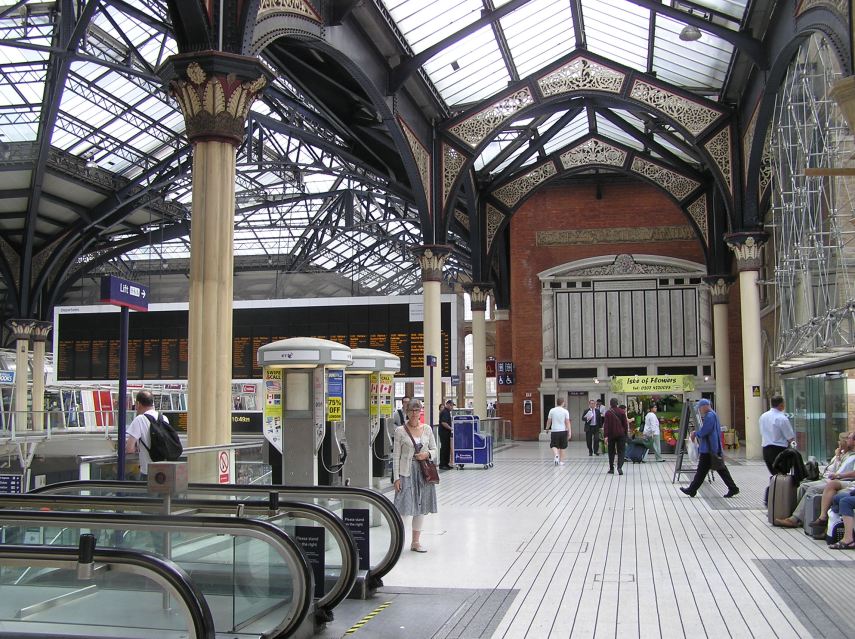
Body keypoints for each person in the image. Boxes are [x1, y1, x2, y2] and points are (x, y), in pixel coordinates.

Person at [775, 432, 855, 528]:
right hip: (833, 479)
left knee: (812, 489)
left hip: (843, 481)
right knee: (803, 486)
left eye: (848, 439)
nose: (844, 441)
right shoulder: (843, 454)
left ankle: (796, 519)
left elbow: (840, 471)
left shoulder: (851, 457)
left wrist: (837, 471)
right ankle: (794, 516)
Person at [392, 399, 438, 553]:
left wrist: (427, 454)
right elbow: (396, 456)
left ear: (420, 412)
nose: (414, 413)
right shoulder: (400, 431)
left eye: (417, 410)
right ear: (407, 411)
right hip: (406, 471)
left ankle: (416, 542)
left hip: (423, 472)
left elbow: (435, 449)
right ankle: (398, 544)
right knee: (404, 508)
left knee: (420, 506)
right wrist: (396, 478)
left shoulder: (427, 429)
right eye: (411, 410)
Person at [680, 399, 739, 498]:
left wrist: (695, 433)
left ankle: (692, 489)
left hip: (709, 448)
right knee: (716, 469)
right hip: (712, 447)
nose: (700, 410)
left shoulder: (710, 416)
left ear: (705, 406)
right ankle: (732, 488)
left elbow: (705, 431)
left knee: (706, 470)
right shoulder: (713, 414)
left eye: (700, 407)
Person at [125, 389, 168, 479]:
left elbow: (129, 449)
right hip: (165, 470)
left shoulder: (140, 419)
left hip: (147, 471)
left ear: (138, 404)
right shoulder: (163, 418)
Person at [760, 395, 795, 474]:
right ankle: (779, 486)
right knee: (781, 475)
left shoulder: (763, 416)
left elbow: (762, 432)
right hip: (779, 450)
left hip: (766, 449)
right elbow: (790, 437)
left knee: (774, 474)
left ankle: (774, 486)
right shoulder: (782, 418)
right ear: (781, 405)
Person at [603, 398, 629, 475]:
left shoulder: (608, 413)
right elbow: (625, 424)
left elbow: (606, 425)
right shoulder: (622, 412)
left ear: (610, 404)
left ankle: (611, 468)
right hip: (621, 435)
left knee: (611, 452)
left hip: (611, 435)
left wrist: (605, 436)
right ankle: (619, 467)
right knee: (621, 451)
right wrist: (626, 435)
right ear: (617, 403)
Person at [546, 397, 571, 465]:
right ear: (563, 402)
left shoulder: (552, 410)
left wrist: (547, 428)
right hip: (563, 431)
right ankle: (561, 461)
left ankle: (556, 454)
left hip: (554, 431)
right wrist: (569, 432)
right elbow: (567, 422)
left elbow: (549, 421)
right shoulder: (565, 411)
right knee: (563, 446)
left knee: (553, 445)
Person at [438, 399, 454, 470]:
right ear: (447, 404)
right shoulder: (444, 412)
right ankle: (442, 464)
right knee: (444, 448)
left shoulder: (447, 412)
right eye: (451, 405)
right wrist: (451, 428)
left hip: (446, 433)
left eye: (452, 406)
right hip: (444, 433)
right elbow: (443, 423)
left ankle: (446, 464)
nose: (452, 407)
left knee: (447, 448)